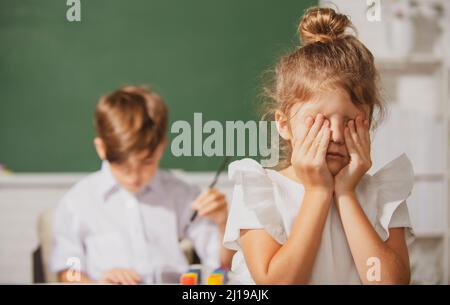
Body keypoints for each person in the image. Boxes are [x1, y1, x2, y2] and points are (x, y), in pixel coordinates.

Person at [223, 7, 414, 284]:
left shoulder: (382, 194)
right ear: (284, 124)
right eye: (320, 121)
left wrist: (346, 194)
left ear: (368, 123)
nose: (336, 134)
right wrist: (318, 192)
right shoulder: (259, 189)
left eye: (349, 121)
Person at [50, 86, 234, 284]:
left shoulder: (181, 194)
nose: (133, 177)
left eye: (146, 162)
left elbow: (223, 266)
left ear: (161, 148)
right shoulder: (77, 202)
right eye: (122, 166)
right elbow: (68, 272)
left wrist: (223, 224)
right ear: (101, 149)